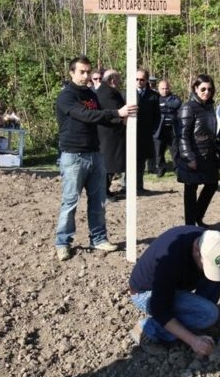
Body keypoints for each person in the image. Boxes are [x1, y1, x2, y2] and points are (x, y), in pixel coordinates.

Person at [54, 56, 137, 261]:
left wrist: (121, 119)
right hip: (74, 155)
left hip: (95, 153)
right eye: (81, 72)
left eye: (87, 72)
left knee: (98, 201)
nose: (85, 76)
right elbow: (86, 115)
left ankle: (98, 238)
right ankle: (63, 242)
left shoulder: (92, 94)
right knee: (70, 201)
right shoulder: (66, 96)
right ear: (72, 73)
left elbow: (101, 115)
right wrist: (117, 112)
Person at [128, 227, 220, 356]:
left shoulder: (215, 245)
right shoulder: (170, 257)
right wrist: (193, 341)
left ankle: (194, 320)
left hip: (176, 285)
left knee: (217, 279)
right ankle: (147, 329)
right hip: (146, 293)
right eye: (206, 263)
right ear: (196, 250)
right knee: (209, 314)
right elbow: (159, 308)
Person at [176, 74, 220, 228]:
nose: (206, 92)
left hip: (208, 154)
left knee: (212, 184)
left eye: (209, 89)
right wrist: (189, 157)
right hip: (194, 155)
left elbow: (209, 129)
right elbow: (182, 135)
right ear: (195, 89)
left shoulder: (209, 107)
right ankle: (190, 225)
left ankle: (197, 217)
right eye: (203, 89)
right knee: (190, 189)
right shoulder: (188, 107)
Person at [96, 70, 126, 199]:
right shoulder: (106, 93)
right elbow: (113, 112)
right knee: (108, 165)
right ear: (112, 80)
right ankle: (103, 192)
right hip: (109, 135)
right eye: (118, 78)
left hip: (113, 134)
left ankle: (106, 191)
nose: (120, 81)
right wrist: (122, 119)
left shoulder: (107, 91)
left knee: (111, 165)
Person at [135, 68, 160, 193]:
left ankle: (139, 186)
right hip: (129, 134)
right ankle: (126, 186)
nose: (139, 81)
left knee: (140, 162)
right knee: (127, 161)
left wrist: (153, 131)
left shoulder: (154, 96)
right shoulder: (127, 94)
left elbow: (157, 116)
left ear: (146, 80)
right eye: (137, 79)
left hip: (145, 134)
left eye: (142, 79)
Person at [153, 79, 182, 177]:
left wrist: (164, 106)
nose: (165, 90)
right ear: (158, 89)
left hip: (172, 129)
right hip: (159, 129)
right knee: (158, 151)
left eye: (167, 88)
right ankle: (161, 168)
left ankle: (177, 169)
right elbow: (156, 109)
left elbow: (177, 104)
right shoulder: (155, 98)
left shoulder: (175, 97)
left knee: (175, 151)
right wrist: (168, 107)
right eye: (162, 89)